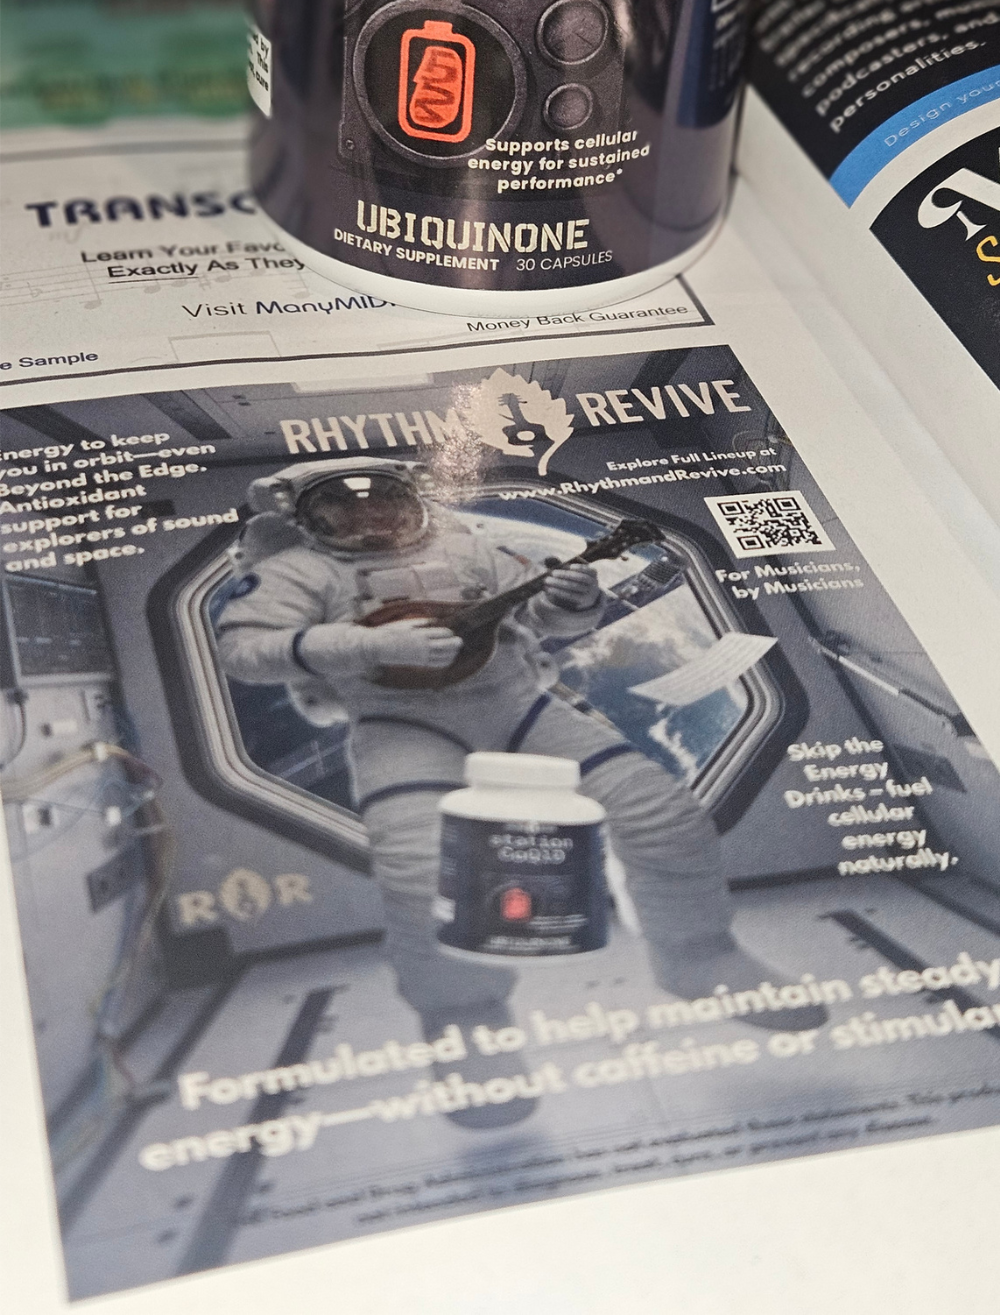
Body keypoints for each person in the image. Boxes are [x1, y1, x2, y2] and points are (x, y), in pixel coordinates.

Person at [216, 458, 825, 1125]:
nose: (370, 517)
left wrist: (573, 600)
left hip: (516, 703)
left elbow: (544, 620)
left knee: (661, 813)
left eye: (383, 500)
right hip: (400, 724)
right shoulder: (297, 572)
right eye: (343, 508)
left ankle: (698, 956)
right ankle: (464, 1016)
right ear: (304, 519)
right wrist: (363, 646)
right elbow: (245, 650)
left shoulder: (467, 548)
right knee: (423, 871)